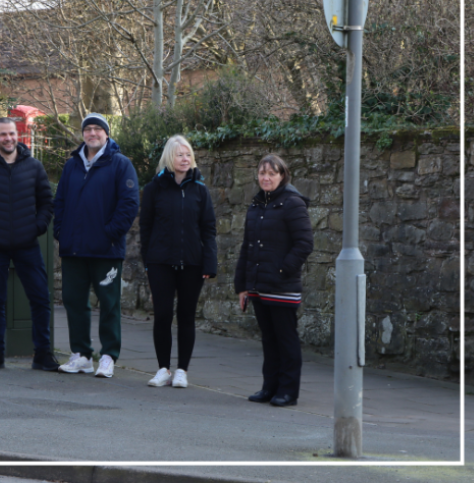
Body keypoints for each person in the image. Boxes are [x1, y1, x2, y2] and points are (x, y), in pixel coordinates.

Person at [53, 113, 139, 378]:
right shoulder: (72, 166)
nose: (92, 133)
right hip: (74, 249)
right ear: (83, 134)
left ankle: (108, 356)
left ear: (106, 134)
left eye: (97, 129)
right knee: (74, 301)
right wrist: (61, 232)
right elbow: (60, 202)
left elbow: (129, 205)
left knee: (109, 303)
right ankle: (81, 355)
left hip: (106, 251)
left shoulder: (121, 164)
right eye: (87, 129)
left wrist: (109, 234)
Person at [0, 117, 59, 372]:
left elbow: (47, 202)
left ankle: (42, 354)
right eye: (3, 134)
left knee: (40, 299)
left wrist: (37, 227)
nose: (8, 138)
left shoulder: (34, 167)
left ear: (17, 135)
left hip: (27, 245)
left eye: (12, 133)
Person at [235, 154, 313, 407]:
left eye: (272, 173)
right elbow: (247, 248)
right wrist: (242, 285)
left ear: (283, 176)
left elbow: (304, 244)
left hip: (282, 287)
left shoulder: (293, 203)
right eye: (262, 173)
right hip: (259, 287)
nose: (266, 177)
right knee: (268, 340)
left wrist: (282, 271)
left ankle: (288, 391)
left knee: (286, 340)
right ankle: (269, 387)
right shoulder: (257, 206)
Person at [139, 135, 217, 388]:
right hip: (160, 262)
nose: (185, 159)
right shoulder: (154, 189)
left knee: (186, 316)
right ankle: (163, 369)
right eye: (179, 154)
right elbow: (146, 228)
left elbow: (208, 229)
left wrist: (209, 263)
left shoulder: (200, 190)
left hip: (192, 264)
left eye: (188, 155)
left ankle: (182, 370)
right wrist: (147, 262)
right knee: (162, 315)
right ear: (169, 158)